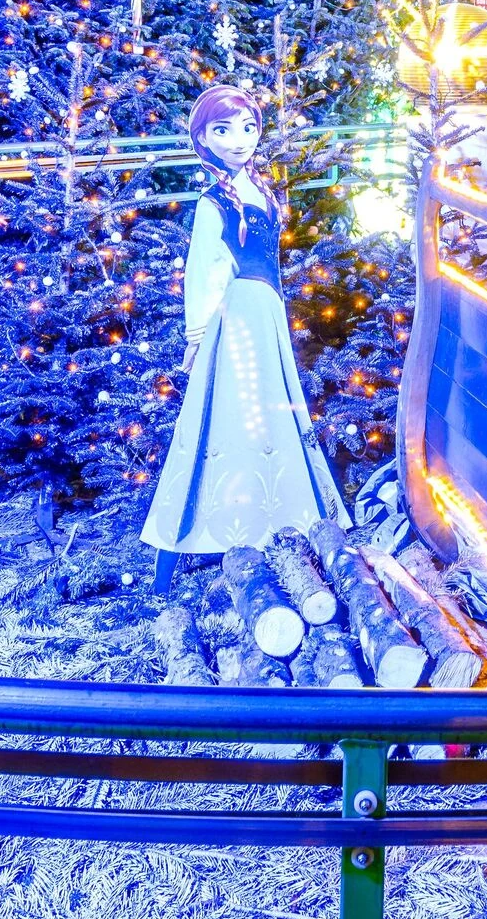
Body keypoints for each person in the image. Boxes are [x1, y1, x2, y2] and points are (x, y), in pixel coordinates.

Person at [143, 84, 342, 585]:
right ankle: (192, 541)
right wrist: (196, 335)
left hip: (267, 315)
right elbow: (203, 270)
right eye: (223, 130)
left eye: (248, 128)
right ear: (203, 137)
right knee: (223, 420)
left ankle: (280, 520)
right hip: (233, 322)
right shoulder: (214, 204)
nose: (239, 140)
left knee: (272, 418)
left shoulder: (262, 194)